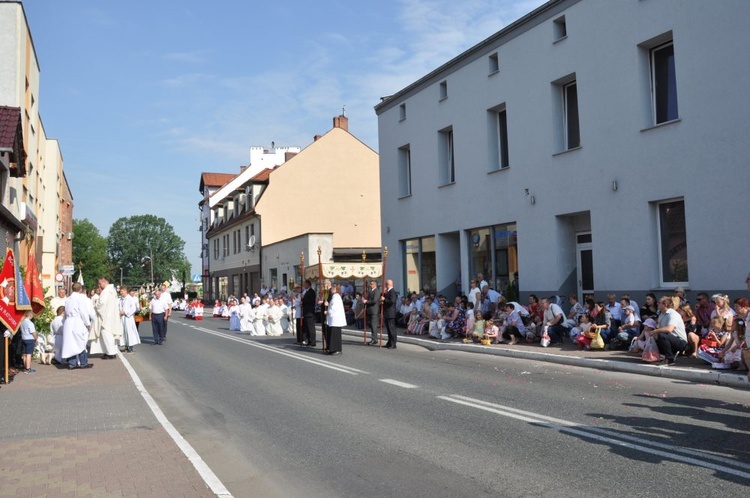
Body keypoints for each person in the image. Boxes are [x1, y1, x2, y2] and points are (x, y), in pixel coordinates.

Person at [61, 282, 95, 369]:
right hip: (77, 321)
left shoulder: (68, 299)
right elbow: (83, 312)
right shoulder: (80, 298)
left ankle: (72, 363)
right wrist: (87, 323)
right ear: (80, 289)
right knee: (81, 342)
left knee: (70, 343)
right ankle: (83, 362)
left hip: (68, 321)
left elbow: (65, 312)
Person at [650, 296, 688, 365]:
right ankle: (661, 356)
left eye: (659, 303)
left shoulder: (673, 314)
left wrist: (656, 331)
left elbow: (669, 329)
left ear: (665, 304)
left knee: (661, 335)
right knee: (656, 338)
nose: (657, 304)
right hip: (670, 339)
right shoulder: (662, 314)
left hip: (680, 341)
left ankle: (670, 359)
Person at [94, 277, 122, 359]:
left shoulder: (106, 291)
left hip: (106, 316)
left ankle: (110, 353)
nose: (99, 285)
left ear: (104, 282)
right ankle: (111, 351)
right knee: (110, 335)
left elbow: (101, 303)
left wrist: (96, 303)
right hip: (111, 314)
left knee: (106, 334)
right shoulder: (112, 290)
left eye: (100, 283)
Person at [325, 284, 345, 355]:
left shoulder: (336, 297)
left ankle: (335, 349)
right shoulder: (334, 296)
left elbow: (334, 307)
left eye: (334, 288)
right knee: (333, 334)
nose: (332, 289)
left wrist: (328, 312)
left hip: (335, 319)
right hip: (333, 319)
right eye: (332, 288)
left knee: (335, 335)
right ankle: (332, 348)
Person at [119, 286, 140, 353]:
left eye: (121, 291)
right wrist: (119, 312)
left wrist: (125, 312)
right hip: (122, 317)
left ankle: (130, 347)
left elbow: (133, 308)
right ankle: (125, 346)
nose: (120, 292)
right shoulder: (120, 299)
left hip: (128, 318)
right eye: (120, 291)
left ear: (125, 291)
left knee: (129, 332)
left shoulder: (130, 299)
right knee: (123, 332)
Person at [363, 280, 381, 346]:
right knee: (371, 325)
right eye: (370, 284)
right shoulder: (370, 291)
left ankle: (375, 339)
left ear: (374, 284)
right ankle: (373, 338)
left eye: (371, 284)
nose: (370, 285)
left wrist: (366, 302)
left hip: (374, 311)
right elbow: (367, 296)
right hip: (370, 310)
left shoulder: (377, 291)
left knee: (374, 325)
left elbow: (374, 300)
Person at [382, 279, 398, 349]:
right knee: (388, 329)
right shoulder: (388, 291)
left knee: (391, 329)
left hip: (390, 313)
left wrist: (384, 300)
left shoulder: (392, 292)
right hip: (387, 312)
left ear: (387, 284)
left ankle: (393, 343)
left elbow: (392, 301)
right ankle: (389, 342)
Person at [301, 279, 317, 347]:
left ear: (308, 284)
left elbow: (311, 301)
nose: (304, 285)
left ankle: (312, 342)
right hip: (306, 312)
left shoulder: (311, 292)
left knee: (311, 328)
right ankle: (309, 341)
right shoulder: (306, 291)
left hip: (310, 312)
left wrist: (303, 299)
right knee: (307, 328)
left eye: (305, 284)